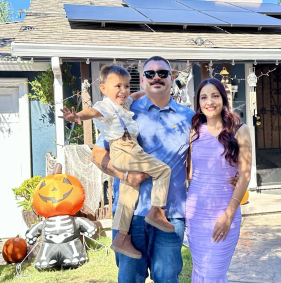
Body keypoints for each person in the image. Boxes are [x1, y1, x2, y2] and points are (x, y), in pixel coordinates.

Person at [90, 56, 239, 282]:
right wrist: (125, 175)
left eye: (162, 73)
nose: (156, 77)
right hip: (131, 217)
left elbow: (204, 155)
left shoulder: (190, 118)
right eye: (150, 74)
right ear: (142, 80)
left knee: (167, 278)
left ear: (171, 78)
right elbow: (97, 154)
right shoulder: (124, 114)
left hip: (171, 216)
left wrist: (231, 173)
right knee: (129, 279)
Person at [59, 65, 174, 260]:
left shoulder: (123, 104)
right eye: (117, 86)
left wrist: (148, 88)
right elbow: (92, 112)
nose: (123, 90)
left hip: (126, 151)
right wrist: (77, 116)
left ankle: (121, 236)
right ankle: (157, 210)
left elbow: (135, 96)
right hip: (124, 149)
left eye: (126, 85)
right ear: (103, 88)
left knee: (128, 194)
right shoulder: (104, 106)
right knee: (163, 170)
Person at [186, 78, 252, 282]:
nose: (210, 101)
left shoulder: (240, 131)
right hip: (195, 213)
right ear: (198, 102)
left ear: (223, 99)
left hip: (225, 209)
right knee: (199, 272)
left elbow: (246, 175)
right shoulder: (194, 131)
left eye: (215, 95)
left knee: (213, 274)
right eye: (204, 97)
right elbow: (190, 173)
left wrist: (228, 215)